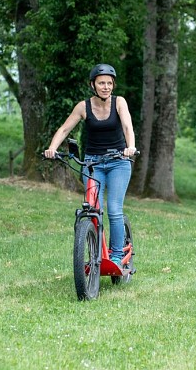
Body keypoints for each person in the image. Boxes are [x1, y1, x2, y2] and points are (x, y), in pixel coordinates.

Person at [44, 63, 137, 269]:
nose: (105, 86)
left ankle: (115, 255)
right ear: (93, 85)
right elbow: (65, 129)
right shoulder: (83, 107)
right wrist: (52, 148)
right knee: (94, 209)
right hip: (92, 163)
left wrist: (130, 147)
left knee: (113, 210)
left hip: (118, 162)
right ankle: (95, 254)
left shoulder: (119, 102)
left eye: (109, 83)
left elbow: (128, 126)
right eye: (101, 83)